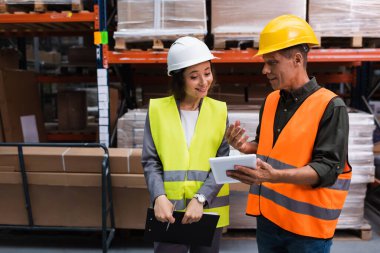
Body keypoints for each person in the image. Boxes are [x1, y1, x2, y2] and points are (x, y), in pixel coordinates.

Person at [225, 15, 352, 253]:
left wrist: (275, 176)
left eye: (272, 62)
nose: (264, 70)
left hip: (307, 231)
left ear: (297, 59)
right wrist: (245, 147)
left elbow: (327, 169)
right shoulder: (272, 100)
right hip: (268, 222)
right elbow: (267, 146)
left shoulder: (331, 106)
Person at [142, 36, 230, 253]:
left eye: (207, 73)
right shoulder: (157, 111)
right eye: (194, 76)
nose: (204, 82)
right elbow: (150, 161)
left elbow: (222, 163)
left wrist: (201, 199)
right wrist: (158, 197)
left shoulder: (219, 112)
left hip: (207, 210)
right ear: (179, 79)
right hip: (168, 212)